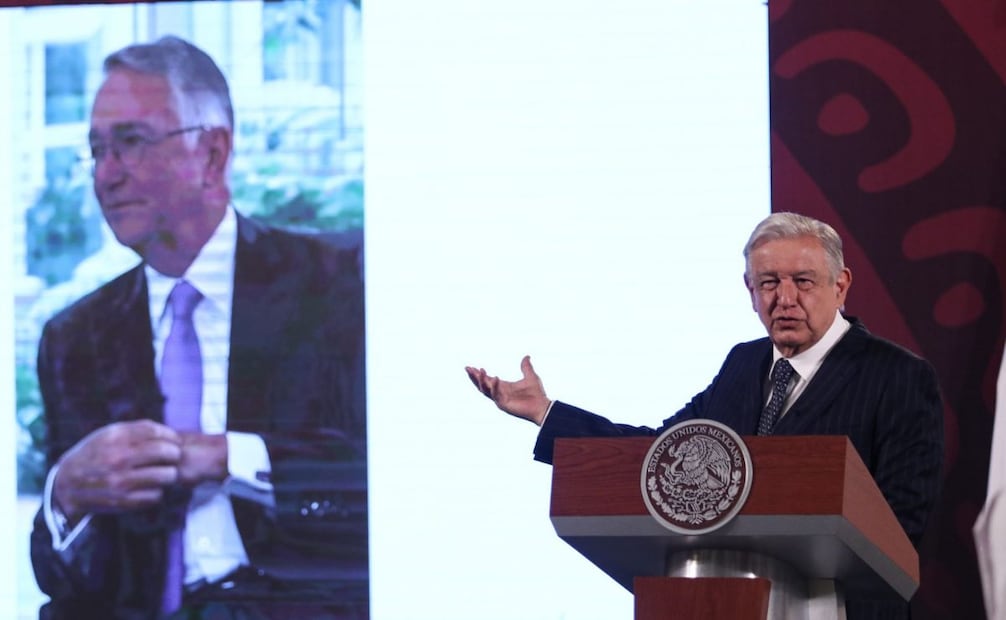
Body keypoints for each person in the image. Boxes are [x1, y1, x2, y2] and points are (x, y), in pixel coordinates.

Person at [29, 36, 367, 619]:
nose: (105, 174)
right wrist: (66, 496)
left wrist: (226, 458)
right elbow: (65, 578)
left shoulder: (337, 285)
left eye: (130, 142)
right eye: (96, 150)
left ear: (212, 153)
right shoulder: (73, 338)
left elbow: (381, 477)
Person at [466, 211, 944, 620]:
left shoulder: (898, 376)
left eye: (803, 281)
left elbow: (899, 530)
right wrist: (547, 414)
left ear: (840, 286)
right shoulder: (743, 363)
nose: (784, 299)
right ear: (749, 289)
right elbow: (662, 453)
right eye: (768, 283)